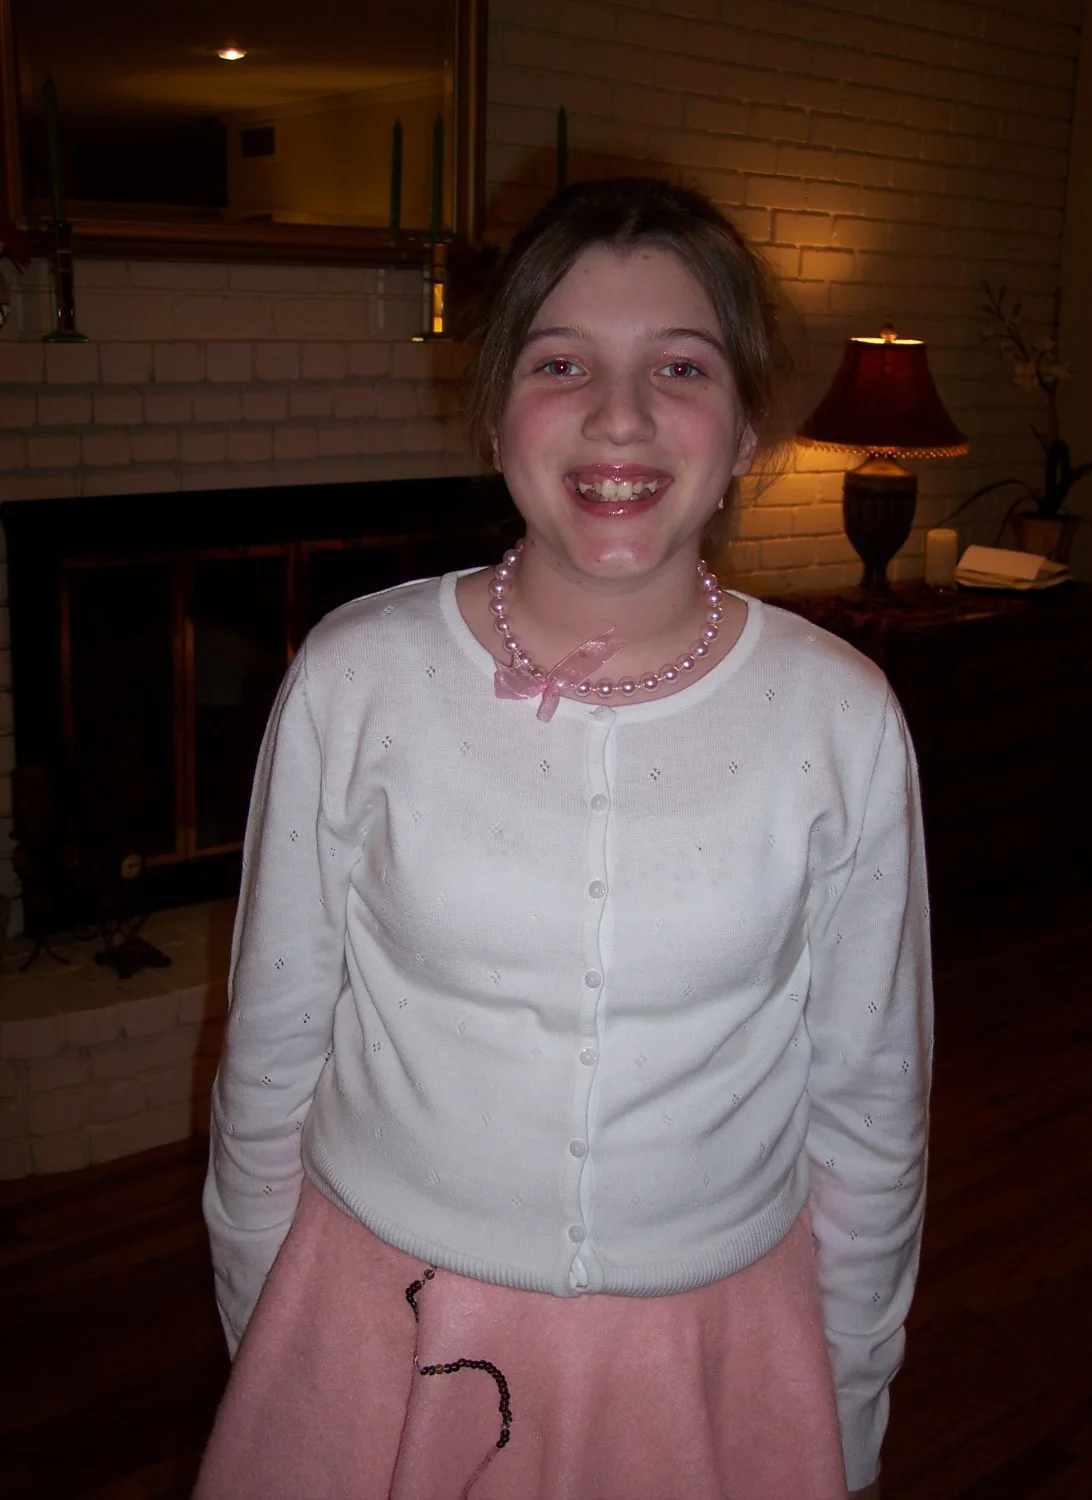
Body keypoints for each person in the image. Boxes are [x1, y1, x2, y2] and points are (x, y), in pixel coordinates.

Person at [196, 177, 931, 1500]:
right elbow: (272, 1048)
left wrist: (853, 1389)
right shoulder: (357, 676)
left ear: (747, 428)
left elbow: (869, 1102)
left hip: (708, 1345)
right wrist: (269, 1322)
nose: (620, 415)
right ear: (494, 413)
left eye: (681, 366)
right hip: (382, 1317)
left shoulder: (841, 716)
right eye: (561, 362)